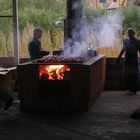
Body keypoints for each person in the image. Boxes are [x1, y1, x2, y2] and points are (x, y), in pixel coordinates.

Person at [116, 28, 140, 95]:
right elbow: (123, 49)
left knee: (134, 75)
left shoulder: (137, 41)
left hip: (134, 59)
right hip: (127, 59)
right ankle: (129, 89)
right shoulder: (126, 40)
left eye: (131, 32)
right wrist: (118, 57)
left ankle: (134, 90)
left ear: (134, 33)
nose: (129, 34)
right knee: (126, 75)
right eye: (128, 32)